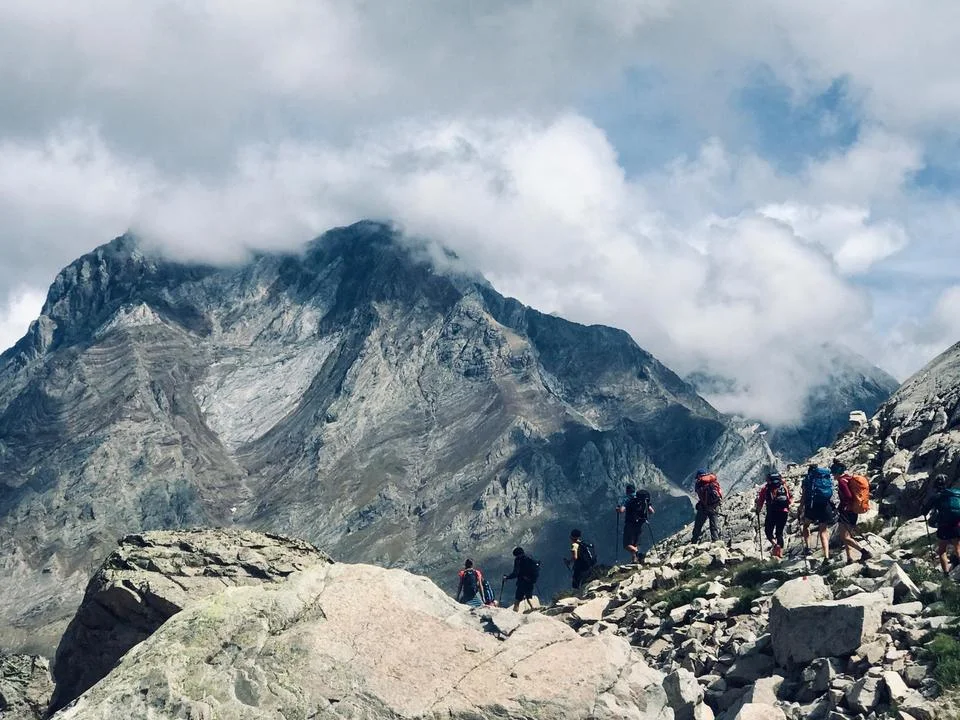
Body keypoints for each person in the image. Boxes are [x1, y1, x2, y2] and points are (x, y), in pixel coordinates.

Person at [831, 460, 873, 565]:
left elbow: (848, 496)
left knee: (844, 537)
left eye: (833, 473)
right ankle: (849, 558)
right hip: (853, 510)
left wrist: (842, 507)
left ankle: (864, 552)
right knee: (847, 535)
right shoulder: (849, 478)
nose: (833, 475)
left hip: (846, 511)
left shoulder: (842, 481)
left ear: (837, 473)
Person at [800, 464, 838, 569]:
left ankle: (808, 548)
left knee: (806, 525)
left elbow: (804, 495)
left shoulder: (807, 479)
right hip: (825, 506)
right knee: (823, 531)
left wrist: (800, 507)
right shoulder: (825, 478)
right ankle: (826, 556)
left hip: (811, 507)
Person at [927, 474, 960, 575]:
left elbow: (924, 510)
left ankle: (946, 574)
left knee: (942, 550)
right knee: (958, 547)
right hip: (957, 524)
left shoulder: (936, 496)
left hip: (944, 526)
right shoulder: (956, 493)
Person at [755, 471, 791, 558]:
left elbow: (760, 502)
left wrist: (757, 511)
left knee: (768, 531)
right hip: (784, 512)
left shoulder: (766, 488)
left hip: (772, 512)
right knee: (779, 533)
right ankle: (780, 554)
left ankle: (775, 545)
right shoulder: (783, 487)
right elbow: (789, 499)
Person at [617, 483, 654, 563]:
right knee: (634, 543)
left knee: (626, 545)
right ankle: (634, 560)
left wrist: (618, 509)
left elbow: (621, 510)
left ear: (627, 491)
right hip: (641, 523)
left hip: (630, 523)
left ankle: (639, 553)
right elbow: (651, 511)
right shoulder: (642, 499)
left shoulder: (628, 498)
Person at [503, 547, 539, 612]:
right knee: (529, 597)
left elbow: (515, 573)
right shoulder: (530, 557)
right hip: (530, 581)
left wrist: (507, 577)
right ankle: (533, 608)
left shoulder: (518, 560)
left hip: (521, 582)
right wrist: (532, 579)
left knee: (517, 600)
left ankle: (514, 613)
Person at [691, 469, 722, 543]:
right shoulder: (713, 481)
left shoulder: (699, 483)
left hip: (704, 507)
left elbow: (701, 495)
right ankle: (716, 542)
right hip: (715, 506)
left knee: (698, 526)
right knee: (714, 526)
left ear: (699, 476)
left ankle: (693, 542)